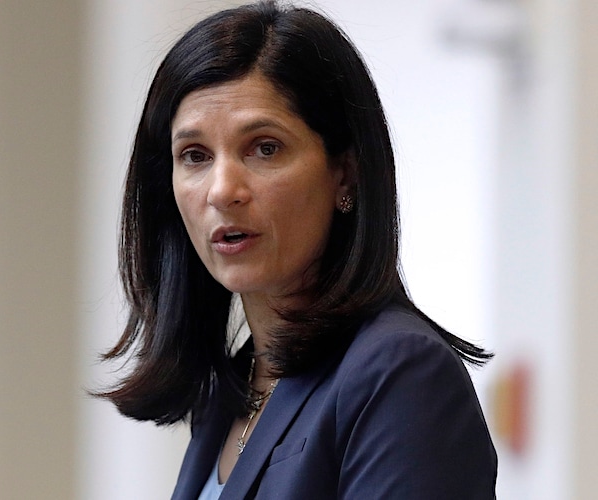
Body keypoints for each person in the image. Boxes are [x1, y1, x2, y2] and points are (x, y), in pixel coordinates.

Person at [98, 1, 497, 498]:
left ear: (345, 173)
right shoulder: (233, 387)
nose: (222, 190)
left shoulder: (400, 372)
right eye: (194, 156)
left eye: (265, 148)